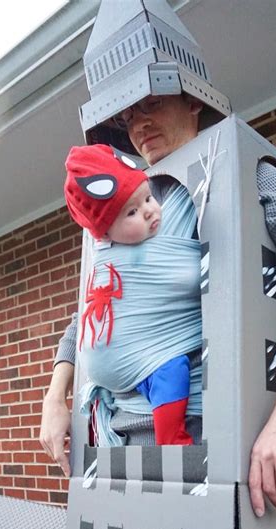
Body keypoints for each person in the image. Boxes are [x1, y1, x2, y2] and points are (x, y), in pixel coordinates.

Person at [40, 93, 276, 518]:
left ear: (191, 102)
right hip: (115, 445)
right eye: (128, 117)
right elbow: (94, 312)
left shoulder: (241, 176)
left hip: (206, 445)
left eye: (149, 106)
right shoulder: (119, 218)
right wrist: (56, 398)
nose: (137, 125)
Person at [63, 143, 198, 446]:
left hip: (150, 359)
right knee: (170, 369)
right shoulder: (105, 253)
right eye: (133, 212)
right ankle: (170, 439)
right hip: (130, 380)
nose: (150, 210)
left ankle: (170, 436)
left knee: (173, 370)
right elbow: (84, 316)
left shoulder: (182, 208)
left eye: (148, 197)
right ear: (105, 234)